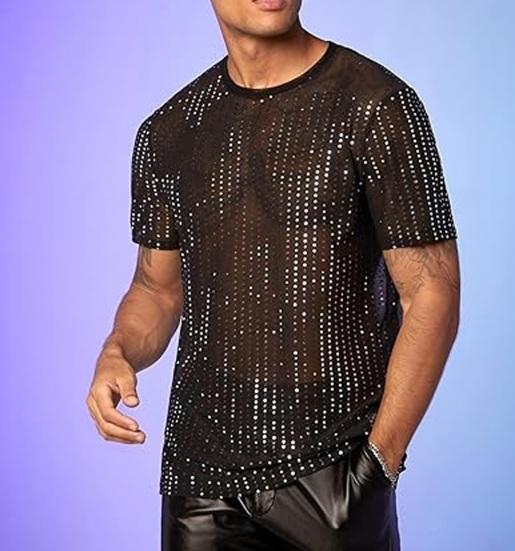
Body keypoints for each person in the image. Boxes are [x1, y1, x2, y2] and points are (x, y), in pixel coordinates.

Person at [85, 1, 461, 549]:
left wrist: (379, 464)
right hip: (200, 480)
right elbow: (156, 290)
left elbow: (431, 290)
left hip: (335, 470)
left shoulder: (377, 104)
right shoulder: (168, 132)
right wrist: (116, 351)